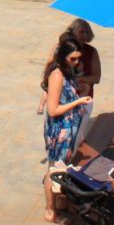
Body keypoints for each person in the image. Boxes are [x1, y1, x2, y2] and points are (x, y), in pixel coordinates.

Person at [42, 37, 92, 225]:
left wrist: (75, 90)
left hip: (68, 127)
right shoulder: (57, 75)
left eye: (78, 59)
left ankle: (61, 203)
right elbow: (53, 109)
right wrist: (78, 101)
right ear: (63, 56)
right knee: (54, 169)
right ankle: (50, 211)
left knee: (63, 167)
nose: (76, 62)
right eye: (73, 59)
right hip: (59, 130)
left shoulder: (67, 70)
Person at [37, 19, 103, 154]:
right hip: (64, 105)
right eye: (81, 32)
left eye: (87, 32)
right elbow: (50, 70)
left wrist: (76, 79)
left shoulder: (92, 52)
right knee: (61, 149)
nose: (84, 36)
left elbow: (96, 77)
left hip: (84, 99)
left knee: (78, 138)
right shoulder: (59, 49)